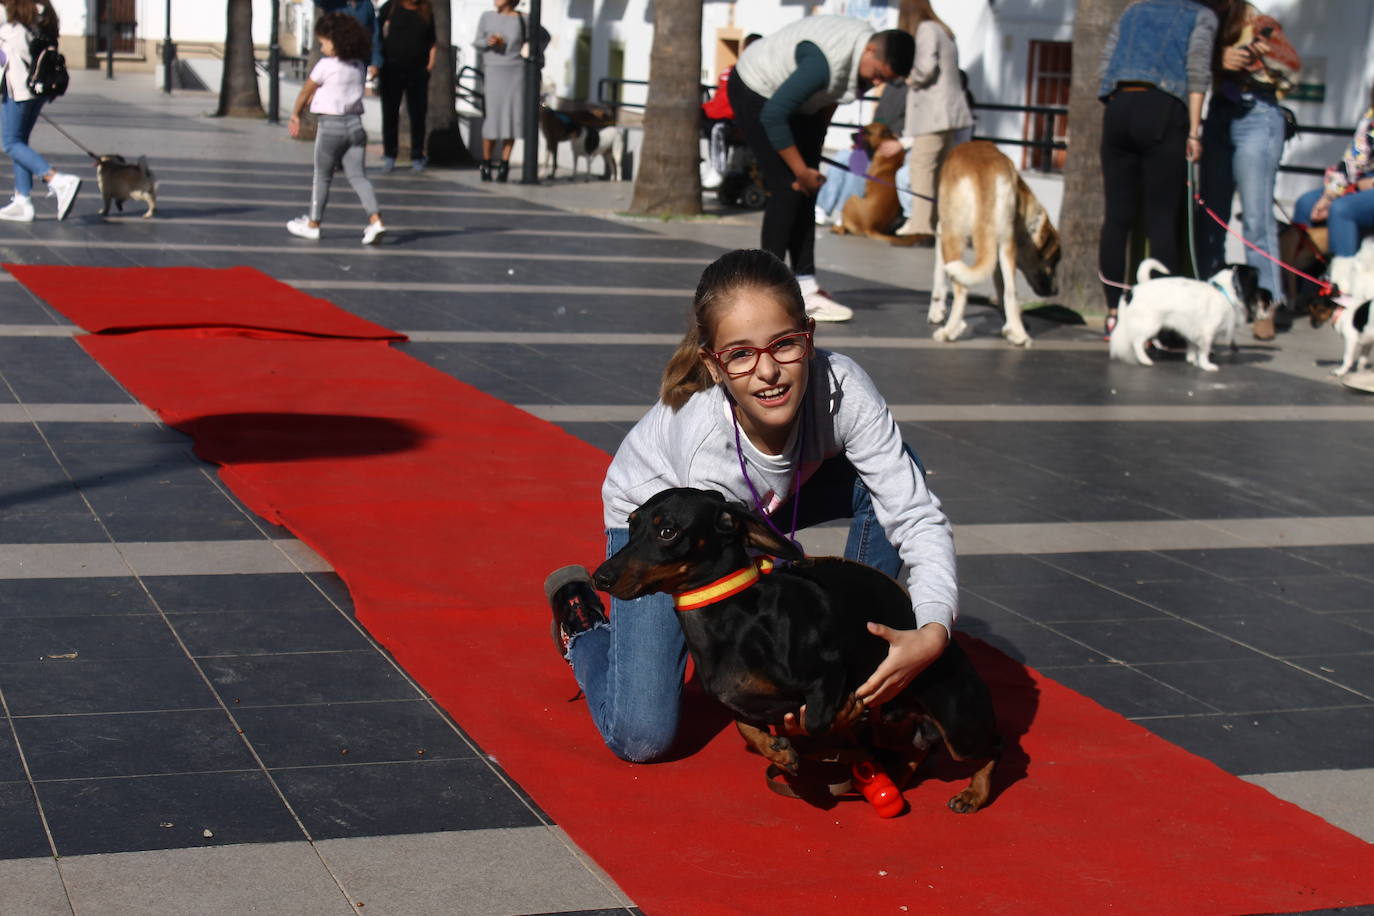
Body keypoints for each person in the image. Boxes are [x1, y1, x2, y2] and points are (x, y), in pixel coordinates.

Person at [546, 248, 957, 763]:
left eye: (783, 345)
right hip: (669, 529)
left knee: (900, 472)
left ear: (808, 338)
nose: (767, 371)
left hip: (764, 504)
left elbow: (916, 515)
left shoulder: (844, 389)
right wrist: (777, 694)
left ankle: (860, 643)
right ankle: (581, 622)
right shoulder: (702, 443)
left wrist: (932, 630)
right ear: (713, 365)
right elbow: (730, 593)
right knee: (642, 737)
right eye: (740, 354)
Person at [726, 16, 914, 323]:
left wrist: (810, 160)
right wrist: (800, 169)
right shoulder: (823, 64)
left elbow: (830, 98)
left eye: (884, 80)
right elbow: (774, 115)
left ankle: (806, 285)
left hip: (796, 104)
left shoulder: (857, 64)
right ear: (869, 51)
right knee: (787, 188)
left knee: (809, 187)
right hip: (756, 90)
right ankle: (765, 290)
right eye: (878, 74)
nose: (877, 83)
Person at [1097, 0, 1223, 338]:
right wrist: (1194, 131)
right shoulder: (1201, 16)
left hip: (1120, 106)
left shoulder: (1133, 9)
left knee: (1116, 217)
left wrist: (1115, 99)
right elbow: (1198, 74)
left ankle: (1113, 313)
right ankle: (1165, 325)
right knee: (1161, 218)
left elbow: (1106, 62)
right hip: (1164, 108)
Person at [1197, 2, 1299, 340]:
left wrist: (1258, 56)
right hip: (1220, 113)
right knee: (1211, 212)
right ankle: (1209, 293)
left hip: (1258, 114)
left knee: (1256, 216)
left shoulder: (1259, 23)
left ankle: (1266, 302)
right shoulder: (1203, 21)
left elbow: (1293, 68)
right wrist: (1218, 59)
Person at [286, 13, 386, 245]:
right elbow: (342, 90)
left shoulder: (325, 65)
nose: (321, 48)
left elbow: (305, 91)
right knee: (359, 177)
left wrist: (295, 115)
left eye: (323, 43)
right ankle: (376, 220)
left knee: (322, 177)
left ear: (336, 40)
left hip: (331, 127)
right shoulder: (359, 66)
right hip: (356, 127)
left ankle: (313, 224)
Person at [889, 0, 973, 245]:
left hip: (932, 114)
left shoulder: (926, 30)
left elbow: (925, 69)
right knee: (939, 171)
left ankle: (921, 225)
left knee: (922, 167)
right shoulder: (943, 30)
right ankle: (936, 224)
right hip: (948, 112)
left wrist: (906, 77)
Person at [0, 0, 80, 223]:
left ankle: (56, 180)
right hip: (38, 87)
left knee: (11, 143)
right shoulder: (41, 12)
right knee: (20, 142)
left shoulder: (8, 16)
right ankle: (22, 200)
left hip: (17, 87)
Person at [1291, 86, 1374, 296]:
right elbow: (1353, 160)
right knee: (1306, 204)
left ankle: (1342, 290)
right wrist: (1329, 194)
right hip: (1362, 184)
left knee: (1342, 209)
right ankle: (1301, 289)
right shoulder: (1371, 116)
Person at [472, 0, 528, 183]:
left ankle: (505, 164)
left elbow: (542, 37)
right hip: (494, 69)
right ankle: (486, 163)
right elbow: (477, 41)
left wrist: (530, 54)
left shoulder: (523, 19)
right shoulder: (486, 17)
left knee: (511, 118)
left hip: (515, 71)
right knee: (493, 118)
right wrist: (489, 42)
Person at [378, 0, 436, 172]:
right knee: (390, 113)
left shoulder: (426, 10)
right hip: (391, 69)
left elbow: (433, 42)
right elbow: (376, 34)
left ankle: (417, 155)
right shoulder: (390, 7)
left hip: (418, 71)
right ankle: (389, 155)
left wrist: (429, 66)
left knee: (418, 114)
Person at [700, 33, 761, 190]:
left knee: (718, 129)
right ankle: (703, 163)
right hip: (716, 112)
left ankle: (718, 169)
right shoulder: (729, 70)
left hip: (734, 117)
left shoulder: (759, 73)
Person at [316, 0, 382, 85]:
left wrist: (376, 62)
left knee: (353, 95)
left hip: (358, 64)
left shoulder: (366, 4)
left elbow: (374, 35)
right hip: (333, 63)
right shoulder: (332, 3)